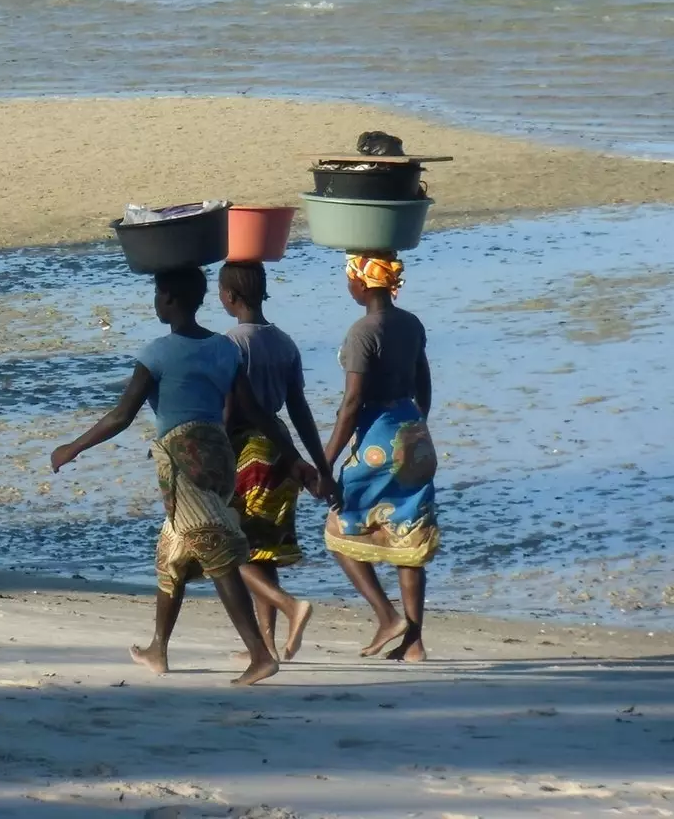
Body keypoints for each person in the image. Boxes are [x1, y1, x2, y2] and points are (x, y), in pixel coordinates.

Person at [49, 265, 316, 687]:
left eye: (158, 295)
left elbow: (122, 415)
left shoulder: (156, 353)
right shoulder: (224, 350)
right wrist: (295, 459)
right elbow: (257, 413)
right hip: (220, 458)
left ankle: (260, 655)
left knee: (215, 549)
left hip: (182, 463)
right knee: (173, 553)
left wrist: (72, 447)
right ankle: (158, 648)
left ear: (169, 299)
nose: (156, 302)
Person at [325, 253, 440, 663]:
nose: (348, 286)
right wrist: (415, 427)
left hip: (378, 436)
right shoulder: (411, 324)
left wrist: (326, 461)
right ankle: (415, 643)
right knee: (407, 533)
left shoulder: (362, 332)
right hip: (413, 430)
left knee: (339, 529)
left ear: (361, 283)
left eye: (349, 279)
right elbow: (423, 384)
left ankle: (387, 617)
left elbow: (352, 402)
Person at [217, 260, 333, 662]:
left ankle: (289, 606)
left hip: (248, 454)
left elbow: (230, 410)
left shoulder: (230, 343)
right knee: (262, 549)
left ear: (228, 296)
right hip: (282, 452)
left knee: (232, 549)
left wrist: (209, 448)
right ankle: (265, 644)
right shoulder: (284, 342)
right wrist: (319, 464)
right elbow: (299, 409)